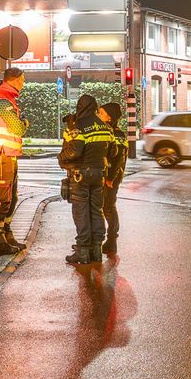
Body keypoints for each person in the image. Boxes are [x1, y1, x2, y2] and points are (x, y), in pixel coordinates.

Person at [59, 94, 114, 265]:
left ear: (80, 107)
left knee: (81, 211)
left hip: (80, 175)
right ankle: (96, 250)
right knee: (96, 210)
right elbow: (113, 151)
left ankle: (82, 251)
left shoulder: (79, 126)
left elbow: (74, 152)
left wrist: (61, 158)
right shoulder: (105, 127)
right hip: (99, 175)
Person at [0, 67, 28, 255]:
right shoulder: (3, 100)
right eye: (22, 80)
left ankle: (6, 233)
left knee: (11, 196)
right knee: (3, 197)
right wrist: (24, 123)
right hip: (2, 154)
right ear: (15, 79)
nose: (23, 83)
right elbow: (18, 128)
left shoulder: (7, 99)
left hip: (7, 154)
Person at [99, 102, 127, 255]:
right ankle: (109, 241)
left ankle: (112, 241)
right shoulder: (108, 131)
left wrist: (110, 178)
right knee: (106, 207)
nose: (99, 116)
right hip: (108, 176)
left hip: (112, 177)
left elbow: (119, 159)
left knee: (108, 207)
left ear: (110, 117)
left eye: (101, 113)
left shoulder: (117, 134)